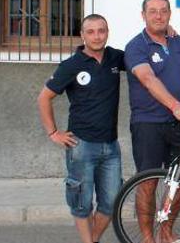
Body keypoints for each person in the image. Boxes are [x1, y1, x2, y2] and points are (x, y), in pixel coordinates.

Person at [37, 14, 123, 243]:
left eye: (101, 30)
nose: (97, 36)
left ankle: (91, 240)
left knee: (113, 201)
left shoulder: (115, 58)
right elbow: (44, 98)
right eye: (91, 31)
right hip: (81, 145)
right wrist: (53, 133)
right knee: (82, 203)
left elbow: (141, 55)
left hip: (111, 146)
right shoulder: (71, 65)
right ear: (82, 35)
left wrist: (168, 31)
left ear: (108, 32)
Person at [124, 0, 180, 243]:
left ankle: (165, 229)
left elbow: (178, 73)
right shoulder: (136, 46)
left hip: (179, 123)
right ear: (143, 15)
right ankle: (147, 237)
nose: (158, 15)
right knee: (149, 182)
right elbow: (148, 79)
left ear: (169, 14)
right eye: (153, 11)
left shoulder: (175, 41)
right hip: (148, 123)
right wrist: (175, 105)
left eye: (163, 11)